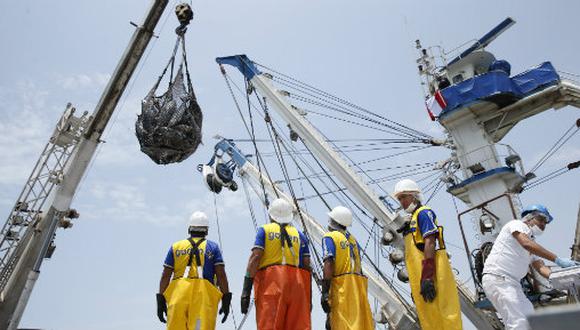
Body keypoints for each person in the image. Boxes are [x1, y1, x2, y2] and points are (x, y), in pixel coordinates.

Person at [482, 204, 579, 330]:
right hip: (499, 278)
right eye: (541, 219)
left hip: (512, 283)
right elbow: (526, 244)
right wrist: (557, 259)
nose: (544, 224)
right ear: (529, 217)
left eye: (546, 222)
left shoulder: (532, 241)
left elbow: (541, 268)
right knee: (519, 323)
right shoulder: (517, 225)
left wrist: (567, 275)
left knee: (529, 319)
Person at [392, 179, 462, 330]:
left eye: (404, 197)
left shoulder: (424, 213)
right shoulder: (412, 219)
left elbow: (430, 242)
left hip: (432, 276)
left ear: (414, 196)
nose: (402, 202)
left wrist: (428, 277)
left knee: (444, 313)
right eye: (399, 199)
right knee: (429, 317)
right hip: (421, 279)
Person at [241, 198, 311, 330]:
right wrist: (308, 298)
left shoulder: (265, 231)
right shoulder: (300, 235)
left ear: (271, 214)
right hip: (297, 285)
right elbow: (307, 266)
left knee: (270, 325)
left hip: (272, 285)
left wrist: (246, 290)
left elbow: (255, 257)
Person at [156, 211, 231, 330]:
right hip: (202, 300)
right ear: (206, 230)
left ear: (189, 229)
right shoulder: (213, 247)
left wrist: (160, 299)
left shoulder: (176, 247)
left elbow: (165, 275)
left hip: (178, 298)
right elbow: (221, 275)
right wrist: (226, 297)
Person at [321, 206, 373, 330]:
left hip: (341, 290)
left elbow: (329, 262)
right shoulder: (353, 241)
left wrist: (324, 292)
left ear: (333, 221)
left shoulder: (330, 237)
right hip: (358, 291)